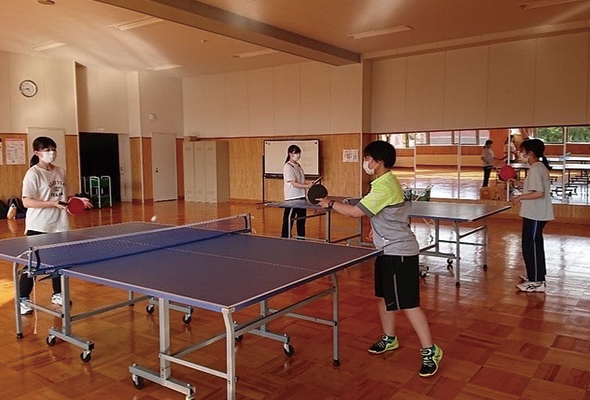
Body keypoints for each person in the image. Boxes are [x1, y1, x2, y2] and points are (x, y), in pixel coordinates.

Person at [318, 140, 442, 377]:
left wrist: (330, 203)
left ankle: (430, 350)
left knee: (409, 304)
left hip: (400, 252)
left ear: (379, 161)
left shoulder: (385, 185)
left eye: (367, 158)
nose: (365, 162)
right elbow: (383, 213)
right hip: (385, 249)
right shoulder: (381, 182)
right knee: (384, 298)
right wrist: (376, 230)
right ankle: (389, 338)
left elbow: (355, 212)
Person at [19, 137, 92, 315]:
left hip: (60, 225)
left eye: (53, 149)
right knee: (34, 264)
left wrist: (77, 201)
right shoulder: (33, 173)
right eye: (47, 150)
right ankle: (22, 299)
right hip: (39, 225)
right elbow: (27, 201)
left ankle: (58, 294)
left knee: (60, 262)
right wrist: (53, 203)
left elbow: (66, 198)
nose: (51, 153)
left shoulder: (60, 171)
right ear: (37, 153)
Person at [509, 138, 554, 293]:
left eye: (522, 151)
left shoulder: (535, 169)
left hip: (536, 214)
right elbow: (534, 187)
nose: (519, 153)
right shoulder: (538, 167)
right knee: (532, 245)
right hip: (534, 213)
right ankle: (535, 275)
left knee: (531, 246)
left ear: (531, 153)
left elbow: (539, 193)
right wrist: (518, 183)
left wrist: (519, 197)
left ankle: (537, 281)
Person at [281, 145, 314, 238]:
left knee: (301, 220)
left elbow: (300, 182)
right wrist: (307, 186)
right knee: (288, 220)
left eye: (299, 153)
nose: (298, 155)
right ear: (290, 154)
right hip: (292, 197)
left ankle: (301, 238)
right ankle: (285, 238)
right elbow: (294, 183)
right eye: (296, 153)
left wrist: (308, 184)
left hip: (302, 196)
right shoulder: (287, 167)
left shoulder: (298, 166)